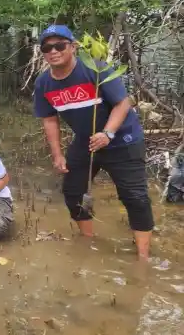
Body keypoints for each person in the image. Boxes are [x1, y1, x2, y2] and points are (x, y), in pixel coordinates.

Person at [33, 24, 152, 260]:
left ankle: (143, 257)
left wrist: (107, 133)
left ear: (73, 47)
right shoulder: (43, 83)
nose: (53, 51)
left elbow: (123, 103)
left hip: (122, 140)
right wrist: (57, 154)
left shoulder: (97, 70)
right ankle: (87, 241)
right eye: (47, 47)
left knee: (135, 197)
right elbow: (49, 119)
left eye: (59, 45)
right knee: (73, 191)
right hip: (86, 141)